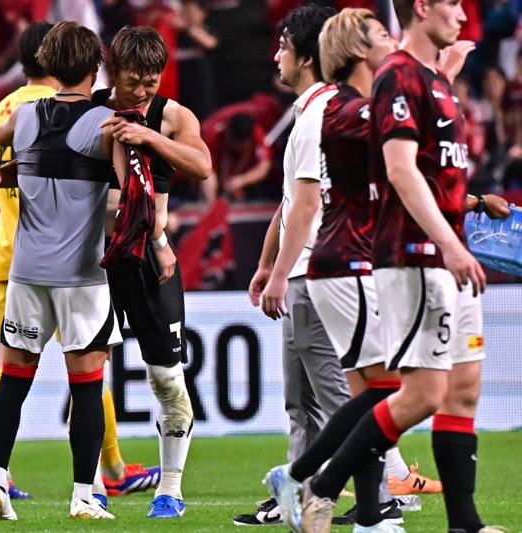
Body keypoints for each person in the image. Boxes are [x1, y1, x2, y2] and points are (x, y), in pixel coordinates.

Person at [299, 1, 507, 532]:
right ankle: (318, 486)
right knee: (417, 394)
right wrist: (451, 246)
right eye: (452, 3)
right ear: (421, 8)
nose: (462, 15)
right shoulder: (395, 78)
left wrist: (469, 222)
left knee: (463, 390)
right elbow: (400, 169)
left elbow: (440, 175)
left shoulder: (432, 80)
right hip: (414, 255)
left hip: (447, 253)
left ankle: (465, 523)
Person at [0, 21, 174, 521]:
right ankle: (84, 493)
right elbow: (133, 190)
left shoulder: (21, 116)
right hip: (82, 273)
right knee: (87, 384)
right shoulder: (106, 122)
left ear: (47, 66)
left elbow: (5, 136)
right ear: (96, 68)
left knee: (13, 377)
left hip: (25, 271)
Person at [234, 5, 348, 526]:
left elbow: (305, 205)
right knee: (302, 403)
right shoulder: (315, 110)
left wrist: (280, 274)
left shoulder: (318, 115)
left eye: (282, 45)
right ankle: (299, 490)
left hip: (313, 275)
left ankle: (376, 494)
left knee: (336, 397)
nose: (273, 54)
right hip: (301, 271)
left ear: (306, 57)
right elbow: (289, 199)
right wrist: (266, 262)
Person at [92, 25, 213, 518]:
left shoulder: (172, 116)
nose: (142, 91)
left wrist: (146, 135)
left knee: (166, 379)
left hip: (149, 258)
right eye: (133, 81)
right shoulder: (91, 110)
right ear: (112, 70)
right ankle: (92, 485)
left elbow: (202, 166)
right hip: (94, 261)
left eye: (152, 80)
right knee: (88, 375)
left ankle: (171, 489)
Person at [0, 19, 58, 502]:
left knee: (2, 365)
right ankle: (108, 468)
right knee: (86, 359)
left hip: (7, 251)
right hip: (57, 253)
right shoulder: (54, 109)